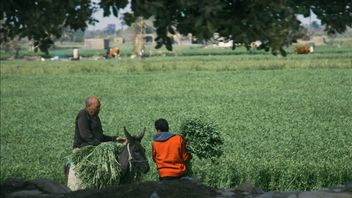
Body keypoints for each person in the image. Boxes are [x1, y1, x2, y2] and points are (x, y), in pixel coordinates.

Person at [68, 96, 125, 190]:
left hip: (95, 148)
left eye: (99, 107)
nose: (99, 109)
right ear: (89, 106)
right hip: (83, 149)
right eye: (97, 107)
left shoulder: (95, 117)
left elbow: (99, 136)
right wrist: (100, 144)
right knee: (77, 184)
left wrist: (114, 139)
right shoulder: (83, 114)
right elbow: (85, 135)